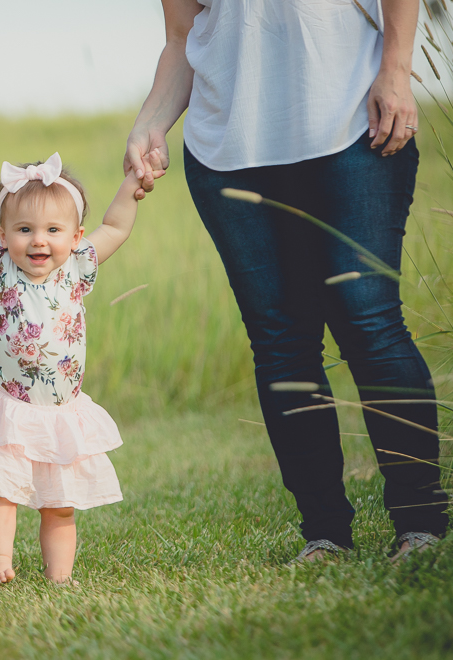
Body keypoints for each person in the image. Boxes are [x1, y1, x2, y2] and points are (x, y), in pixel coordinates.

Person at [125, 0, 448, 562]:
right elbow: (184, 36)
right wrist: (150, 122)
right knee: (280, 344)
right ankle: (325, 535)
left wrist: (395, 68)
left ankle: (421, 525)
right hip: (227, 148)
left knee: (368, 319)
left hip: (352, 122)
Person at [0, 151, 161, 585]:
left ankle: (60, 575)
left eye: (53, 231)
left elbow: (114, 225)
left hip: (60, 411)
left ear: (75, 237)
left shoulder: (76, 269)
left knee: (60, 505)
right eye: (24, 230)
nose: (39, 241)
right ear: (2, 234)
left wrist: (133, 185)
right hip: (9, 406)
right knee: (0, 491)